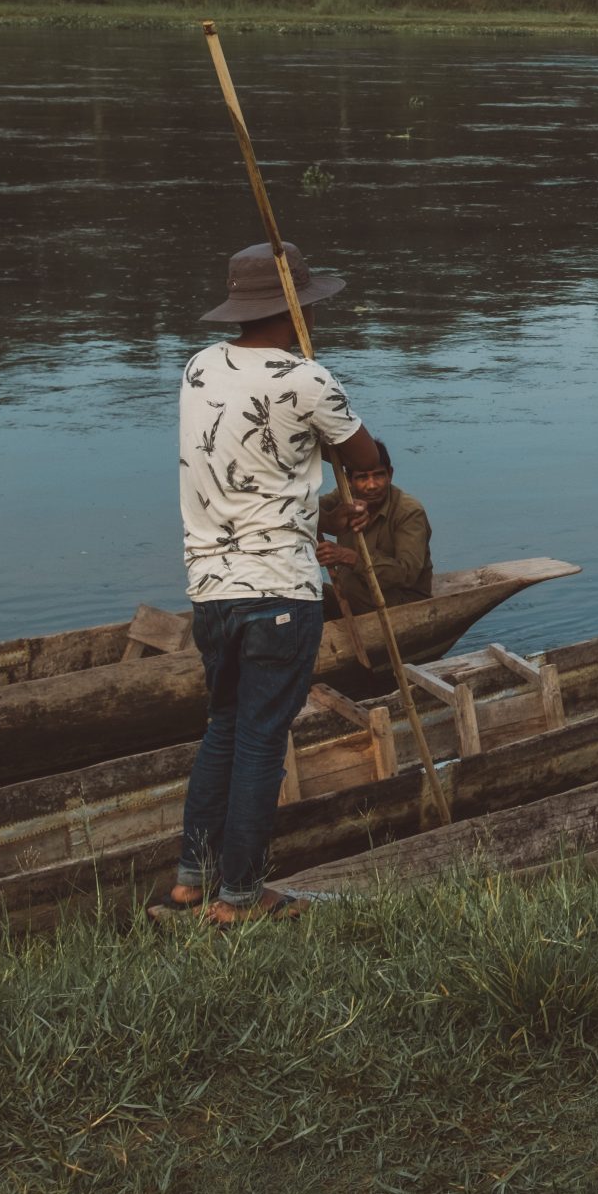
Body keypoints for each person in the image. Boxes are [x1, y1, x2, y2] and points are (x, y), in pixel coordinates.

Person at [153, 240, 386, 926]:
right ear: (296, 309)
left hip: (212, 593)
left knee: (223, 728)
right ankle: (240, 899)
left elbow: (249, 477)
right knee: (261, 738)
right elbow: (366, 456)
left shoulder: (197, 368)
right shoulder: (307, 377)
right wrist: (353, 498)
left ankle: (190, 883)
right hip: (279, 591)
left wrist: (312, 498)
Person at [319, 441, 434, 615]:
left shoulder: (409, 512)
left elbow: (407, 573)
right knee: (306, 594)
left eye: (379, 476)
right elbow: (307, 511)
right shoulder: (344, 496)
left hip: (400, 604)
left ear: (390, 474)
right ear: (349, 480)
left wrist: (350, 558)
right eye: (362, 477)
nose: (372, 485)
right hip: (353, 598)